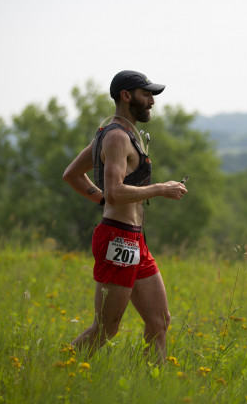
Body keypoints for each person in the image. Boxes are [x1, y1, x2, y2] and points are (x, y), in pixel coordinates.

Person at [62, 70, 187, 361]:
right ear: (126, 96)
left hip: (135, 240)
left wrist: (103, 198)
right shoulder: (117, 137)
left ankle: (153, 385)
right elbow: (116, 191)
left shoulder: (121, 134)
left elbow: (72, 174)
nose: (152, 102)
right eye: (146, 95)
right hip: (117, 239)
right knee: (106, 329)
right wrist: (158, 189)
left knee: (160, 321)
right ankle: (56, 369)